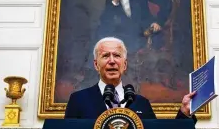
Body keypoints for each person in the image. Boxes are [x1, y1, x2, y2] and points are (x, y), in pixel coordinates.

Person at [65, 37, 197, 122]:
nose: (112, 61)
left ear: (125, 64)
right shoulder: (78, 99)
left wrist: (184, 114)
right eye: (105, 56)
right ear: (96, 65)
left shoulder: (141, 103)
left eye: (117, 55)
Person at [94, 0, 172, 54]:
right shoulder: (110, 1)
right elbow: (105, 23)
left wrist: (159, 22)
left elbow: (166, 2)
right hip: (124, 37)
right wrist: (115, 3)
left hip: (146, 34)